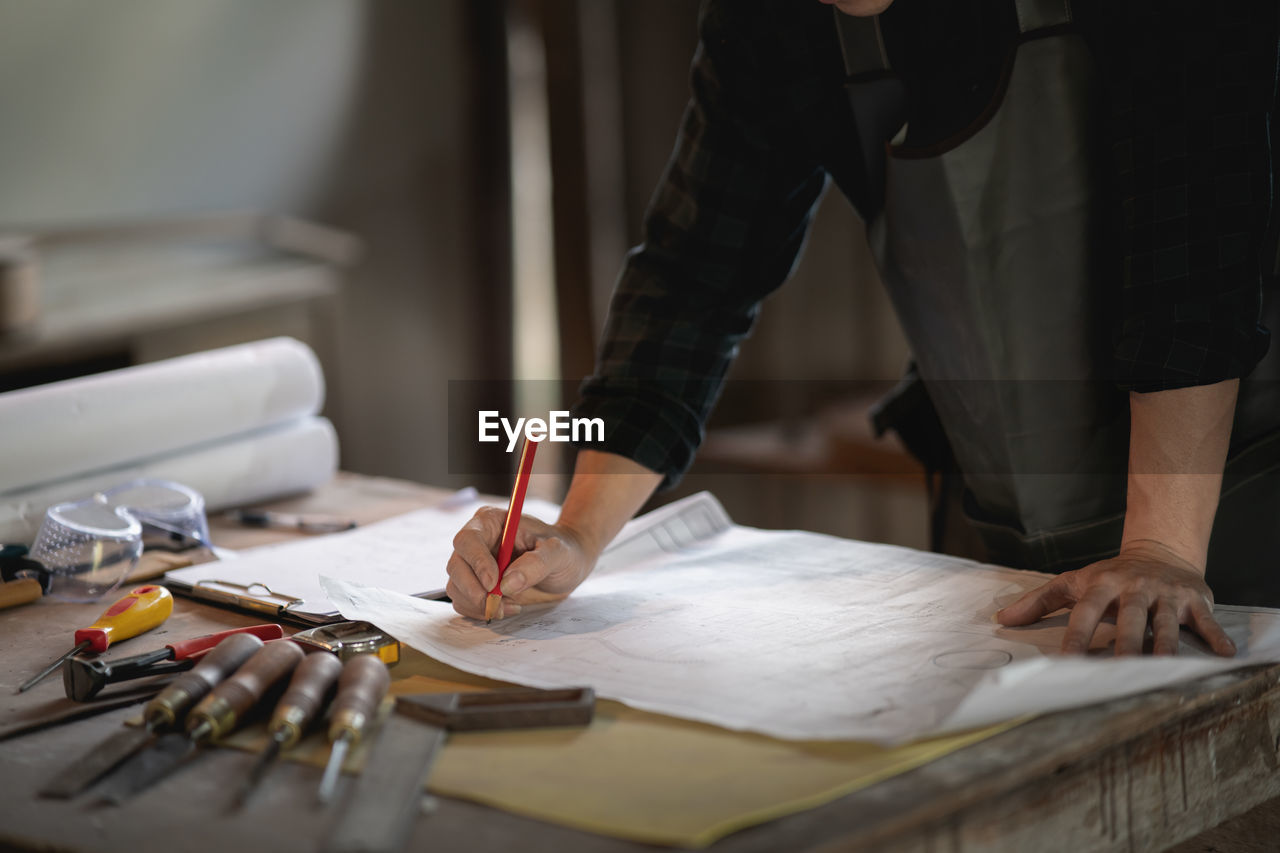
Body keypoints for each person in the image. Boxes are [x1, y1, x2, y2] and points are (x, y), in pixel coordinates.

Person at [447, 0, 1280, 657]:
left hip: (1236, 505)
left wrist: (1163, 548)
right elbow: (694, 274)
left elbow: (1196, 243)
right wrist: (576, 531)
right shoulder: (769, 20)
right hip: (999, 520)